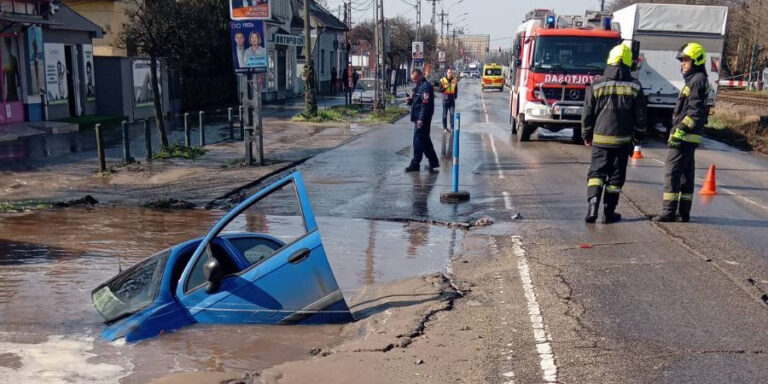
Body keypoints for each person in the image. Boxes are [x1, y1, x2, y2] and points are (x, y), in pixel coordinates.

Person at [581, 43, 646, 224]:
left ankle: (592, 209)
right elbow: (640, 116)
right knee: (616, 178)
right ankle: (609, 213)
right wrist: (639, 137)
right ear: (628, 63)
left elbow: (587, 113)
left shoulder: (596, 85)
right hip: (622, 141)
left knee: (596, 174)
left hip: (600, 140)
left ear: (609, 61)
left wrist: (586, 134)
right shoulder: (635, 86)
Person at [654, 43, 709, 223]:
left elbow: (694, 112)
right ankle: (683, 213)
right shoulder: (695, 80)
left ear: (696, 61)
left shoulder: (697, 80)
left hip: (684, 136)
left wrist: (679, 131)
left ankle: (668, 212)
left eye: (686, 60)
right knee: (685, 175)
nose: (682, 64)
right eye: (682, 60)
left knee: (672, 173)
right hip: (688, 136)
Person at [405, 68, 439, 173]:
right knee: (424, 141)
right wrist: (410, 101)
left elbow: (425, 105)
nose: (414, 81)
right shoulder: (419, 86)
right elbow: (417, 102)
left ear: (420, 76)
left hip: (422, 119)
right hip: (418, 118)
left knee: (418, 141)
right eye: (412, 79)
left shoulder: (426, 87)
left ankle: (415, 163)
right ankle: (433, 161)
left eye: (415, 78)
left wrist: (421, 119)